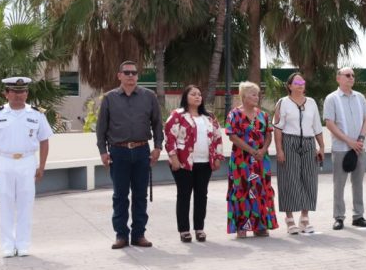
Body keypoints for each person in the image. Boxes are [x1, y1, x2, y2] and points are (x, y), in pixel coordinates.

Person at [0, 77, 52, 257]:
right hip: (4, 161)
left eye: (22, 92)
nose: (19, 95)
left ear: (27, 93)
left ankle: (23, 244)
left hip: (27, 161)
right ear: (6, 93)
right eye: (14, 92)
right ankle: (7, 245)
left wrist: (41, 166)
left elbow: (44, 141)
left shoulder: (37, 114)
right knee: (5, 203)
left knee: (26, 203)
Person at [96, 60, 163, 250]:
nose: (131, 76)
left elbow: (157, 123)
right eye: (126, 72)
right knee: (120, 196)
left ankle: (139, 234)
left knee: (140, 195)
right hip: (118, 152)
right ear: (119, 76)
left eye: (134, 72)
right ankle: (121, 235)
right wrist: (103, 151)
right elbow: (101, 128)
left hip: (142, 151)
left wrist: (158, 147)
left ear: (138, 76)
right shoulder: (109, 98)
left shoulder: (149, 97)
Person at [163, 85, 224, 243]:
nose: (197, 97)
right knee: (184, 196)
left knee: (201, 195)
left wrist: (218, 157)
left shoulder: (209, 117)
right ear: (186, 97)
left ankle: (199, 229)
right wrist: (173, 158)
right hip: (184, 164)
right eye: (193, 94)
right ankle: (184, 230)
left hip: (205, 163)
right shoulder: (178, 115)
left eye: (199, 94)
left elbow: (217, 138)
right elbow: (169, 137)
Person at [272, 72, 325, 234]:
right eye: (296, 83)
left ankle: (304, 218)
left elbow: (317, 126)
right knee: (289, 179)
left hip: (309, 143)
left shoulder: (311, 102)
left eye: (302, 82)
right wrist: (279, 150)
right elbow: (277, 128)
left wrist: (322, 147)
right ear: (289, 86)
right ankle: (289, 220)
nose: (300, 85)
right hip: (289, 141)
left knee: (309, 179)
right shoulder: (283, 102)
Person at [225, 81, 278, 238]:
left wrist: (263, 150)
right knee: (241, 190)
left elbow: (268, 134)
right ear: (243, 96)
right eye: (253, 94)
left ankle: (260, 226)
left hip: (261, 159)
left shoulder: (263, 115)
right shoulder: (234, 114)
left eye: (257, 94)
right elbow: (232, 136)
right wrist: (251, 150)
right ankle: (241, 227)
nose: (257, 97)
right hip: (241, 160)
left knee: (261, 190)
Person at [323, 68, 366, 230]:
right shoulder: (332, 98)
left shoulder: (360, 97)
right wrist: (349, 141)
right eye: (347, 75)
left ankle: (358, 216)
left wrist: (360, 139)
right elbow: (329, 123)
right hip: (341, 149)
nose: (351, 78)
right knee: (339, 184)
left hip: (359, 148)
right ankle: (339, 217)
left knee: (358, 183)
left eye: (353, 75)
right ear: (338, 78)